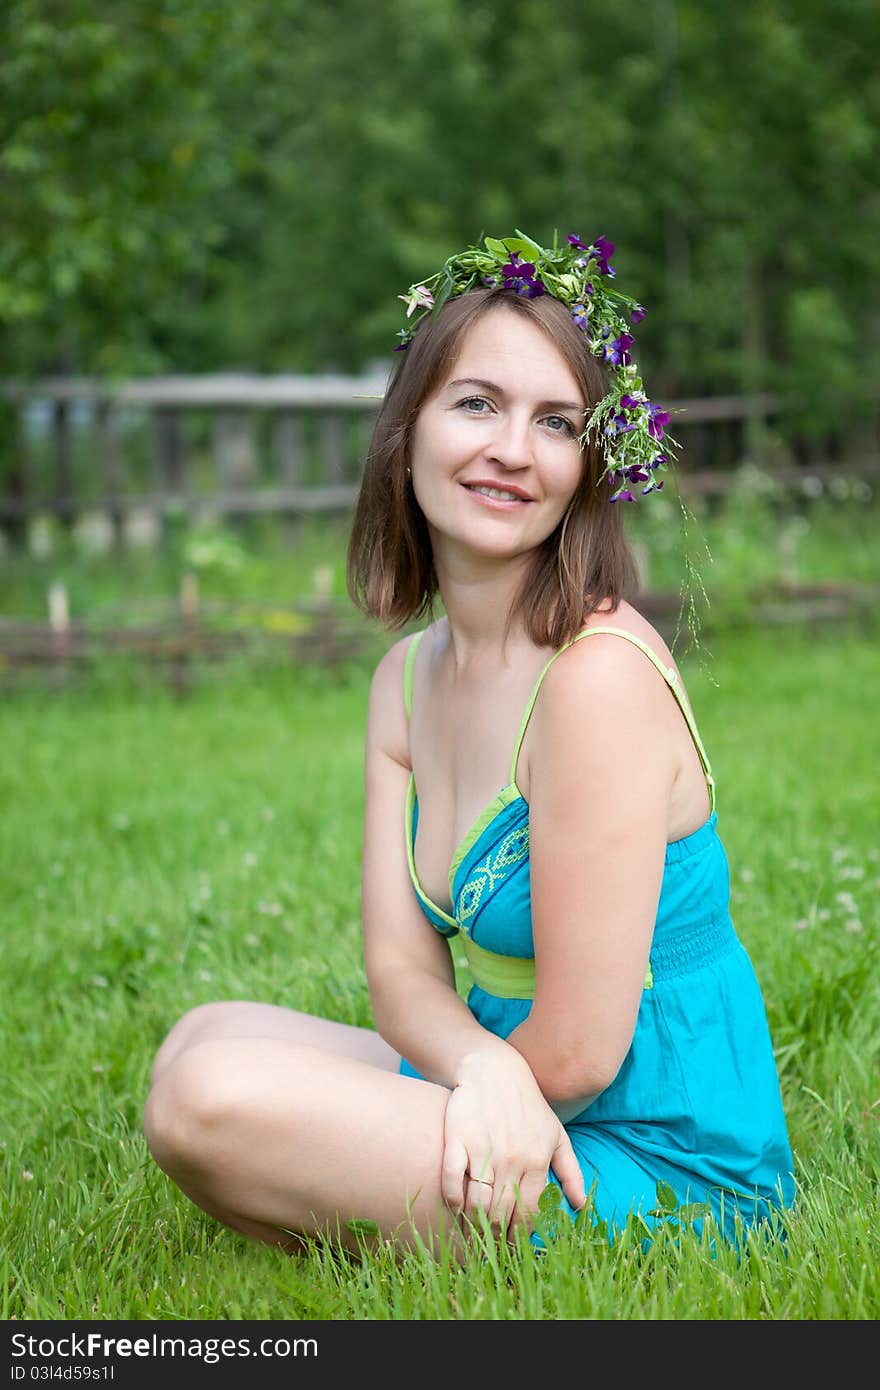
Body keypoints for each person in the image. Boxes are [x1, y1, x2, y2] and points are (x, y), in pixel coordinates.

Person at [143, 229, 796, 1256]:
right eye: (477, 404)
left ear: (587, 466)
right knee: (204, 1035)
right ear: (408, 431)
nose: (511, 449)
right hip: (515, 1085)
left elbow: (581, 1046)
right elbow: (402, 973)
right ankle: (405, 1201)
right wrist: (483, 1071)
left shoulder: (594, 680)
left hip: (654, 1153)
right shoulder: (404, 679)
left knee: (207, 1097)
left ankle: (438, 1210)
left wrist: (496, 1081)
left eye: (555, 422)